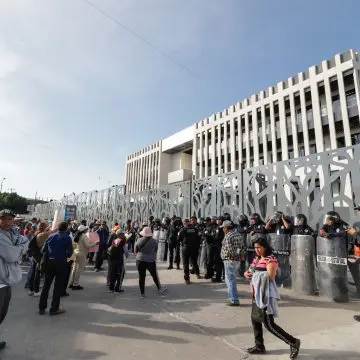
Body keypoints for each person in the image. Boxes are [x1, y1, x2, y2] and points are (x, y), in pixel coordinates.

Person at [245, 237, 300, 358]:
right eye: (255, 248)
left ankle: (293, 342)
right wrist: (249, 273)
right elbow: (249, 271)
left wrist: (254, 274)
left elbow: (270, 277)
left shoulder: (271, 260)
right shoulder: (257, 259)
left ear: (265, 247)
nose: (257, 250)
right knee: (255, 321)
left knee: (269, 325)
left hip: (265, 296)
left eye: (259, 247)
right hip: (256, 295)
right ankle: (259, 346)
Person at [0, 209, 28, 350]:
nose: (7, 222)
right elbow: (11, 256)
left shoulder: (13, 234)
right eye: (3, 219)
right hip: (1, 279)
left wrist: (17, 250)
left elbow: (26, 242)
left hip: (6, 280)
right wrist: (19, 251)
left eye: (10, 219)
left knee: (2, 313)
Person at [39, 221, 73, 316]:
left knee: (46, 285)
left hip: (49, 262)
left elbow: (43, 250)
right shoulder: (67, 238)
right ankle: (54, 308)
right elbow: (70, 253)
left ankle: (42, 307)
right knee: (57, 287)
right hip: (61, 263)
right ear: (66, 228)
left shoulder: (51, 236)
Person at [134, 226, 167, 298]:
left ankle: (142, 294)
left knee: (141, 277)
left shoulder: (139, 240)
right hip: (150, 260)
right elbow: (156, 250)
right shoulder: (154, 241)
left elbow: (135, 251)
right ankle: (159, 288)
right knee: (154, 275)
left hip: (139, 260)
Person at [220, 220, 246, 306]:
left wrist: (232, 257)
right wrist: (239, 255)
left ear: (226, 227)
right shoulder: (238, 234)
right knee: (231, 279)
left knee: (230, 280)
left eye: (223, 227)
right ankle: (231, 297)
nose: (223, 229)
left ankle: (233, 299)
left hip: (229, 260)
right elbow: (242, 247)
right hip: (236, 260)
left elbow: (230, 248)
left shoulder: (228, 236)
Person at [69, 225, 99, 290]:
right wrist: (95, 243)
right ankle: (75, 284)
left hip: (75, 253)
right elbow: (87, 245)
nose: (86, 230)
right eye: (85, 229)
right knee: (79, 270)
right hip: (81, 254)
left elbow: (74, 244)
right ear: (83, 230)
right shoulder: (84, 236)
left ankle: (71, 283)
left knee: (74, 269)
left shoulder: (76, 235)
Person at [28, 222, 50, 296]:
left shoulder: (36, 233)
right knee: (37, 274)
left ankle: (31, 289)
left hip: (34, 255)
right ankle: (36, 291)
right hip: (38, 255)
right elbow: (53, 231)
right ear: (44, 227)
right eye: (47, 226)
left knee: (33, 272)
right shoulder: (44, 234)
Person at [178, 216, 201, 284]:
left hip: (186, 248)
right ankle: (198, 274)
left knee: (186, 263)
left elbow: (178, 239)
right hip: (193, 248)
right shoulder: (195, 229)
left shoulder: (183, 229)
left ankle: (187, 279)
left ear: (185, 223)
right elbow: (198, 238)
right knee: (194, 261)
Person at [107, 229, 128, 294]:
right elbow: (125, 250)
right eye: (123, 234)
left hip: (112, 260)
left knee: (113, 274)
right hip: (119, 260)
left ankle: (111, 288)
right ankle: (117, 289)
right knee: (120, 274)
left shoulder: (114, 240)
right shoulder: (122, 241)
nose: (124, 235)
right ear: (120, 235)